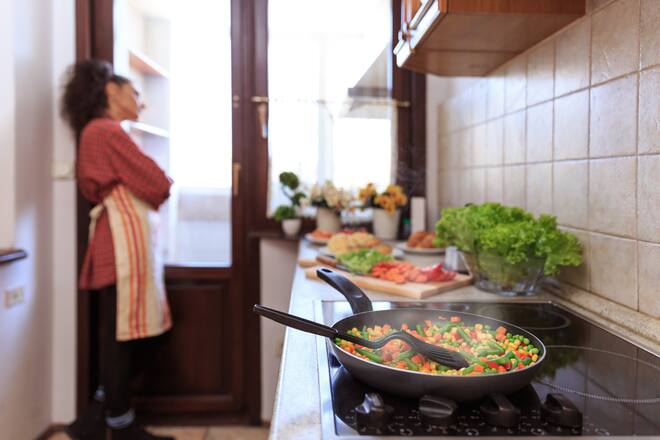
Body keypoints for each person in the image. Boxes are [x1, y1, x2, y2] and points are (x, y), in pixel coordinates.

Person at [61, 59, 174, 440]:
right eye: (135, 93)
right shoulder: (107, 132)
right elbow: (157, 183)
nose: (140, 102)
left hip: (121, 239)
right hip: (122, 243)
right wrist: (160, 179)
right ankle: (120, 426)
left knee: (124, 332)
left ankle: (96, 420)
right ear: (111, 91)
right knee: (124, 335)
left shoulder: (99, 132)